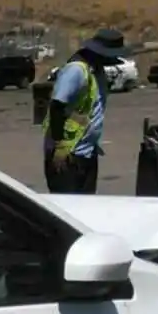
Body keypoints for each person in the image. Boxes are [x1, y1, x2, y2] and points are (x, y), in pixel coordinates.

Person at [44, 28, 127, 193]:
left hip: (87, 152)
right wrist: (59, 146)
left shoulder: (96, 71)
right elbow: (57, 107)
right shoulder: (76, 70)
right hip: (68, 154)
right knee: (68, 209)